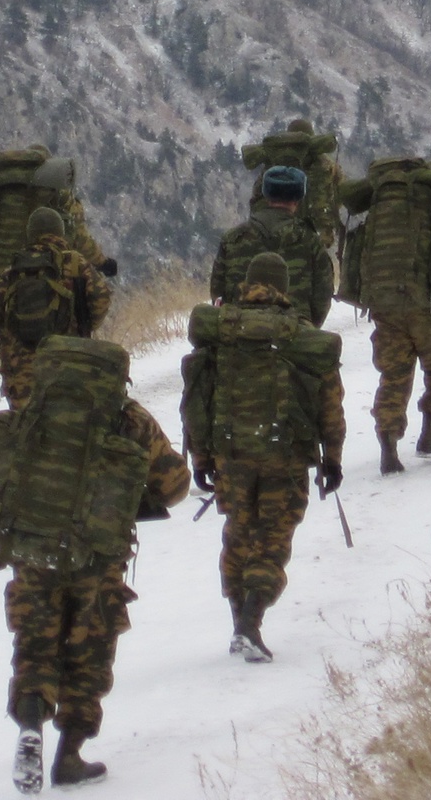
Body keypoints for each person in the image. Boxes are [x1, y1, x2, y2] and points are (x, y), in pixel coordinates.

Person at [0, 336, 189, 791]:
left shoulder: (31, 412)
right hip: (98, 558)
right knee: (90, 651)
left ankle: (30, 727)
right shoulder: (130, 420)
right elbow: (174, 486)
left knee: (35, 644)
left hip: (32, 550)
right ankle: (69, 755)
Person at [180, 252, 345, 663]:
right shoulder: (300, 335)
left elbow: (196, 398)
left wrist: (200, 456)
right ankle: (250, 622)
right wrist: (333, 457)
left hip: (230, 454)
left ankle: (239, 620)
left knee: (238, 532)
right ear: (284, 288)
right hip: (283, 456)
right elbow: (329, 402)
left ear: (246, 283)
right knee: (272, 537)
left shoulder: (219, 332)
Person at [339, 155, 431, 468]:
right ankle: (429, 435)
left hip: (384, 307)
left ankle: (388, 448)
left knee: (393, 375)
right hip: (430, 306)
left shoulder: (377, 216)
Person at [0, 205, 112, 403]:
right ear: (61, 231)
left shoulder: (13, 270)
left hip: (20, 371)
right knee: (63, 426)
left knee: (24, 428)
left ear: (30, 233)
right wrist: (85, 326)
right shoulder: (76, 264)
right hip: (67, 362)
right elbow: (101, 297)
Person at [0, 146, 106, 308]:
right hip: (47, 283)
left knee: (1, 328)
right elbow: (80, 238)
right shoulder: (57, 194)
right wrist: (102, 262)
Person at [208, 165, 336, 324]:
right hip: (294, 334)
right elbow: (323, 294)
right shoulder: (310, 240)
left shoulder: (232, 238)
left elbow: (217, 293)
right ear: (297, 198)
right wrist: (307, 328)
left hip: (240, 334)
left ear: (266, 195)